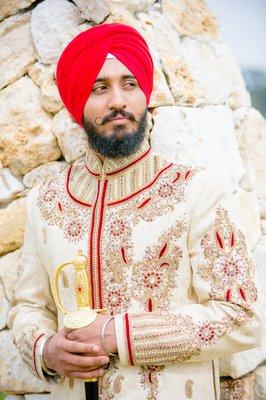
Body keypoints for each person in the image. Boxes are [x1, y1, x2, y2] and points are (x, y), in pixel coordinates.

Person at [9, 23, 262, 400]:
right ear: (77, 102)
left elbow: (242, 317)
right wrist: (46, 350)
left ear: (145, 95)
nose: (118, 101)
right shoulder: (45, 201)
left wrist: (116, 334)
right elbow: (29, 306)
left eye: (130, 84)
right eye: (100, 87)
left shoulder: (197, 191)